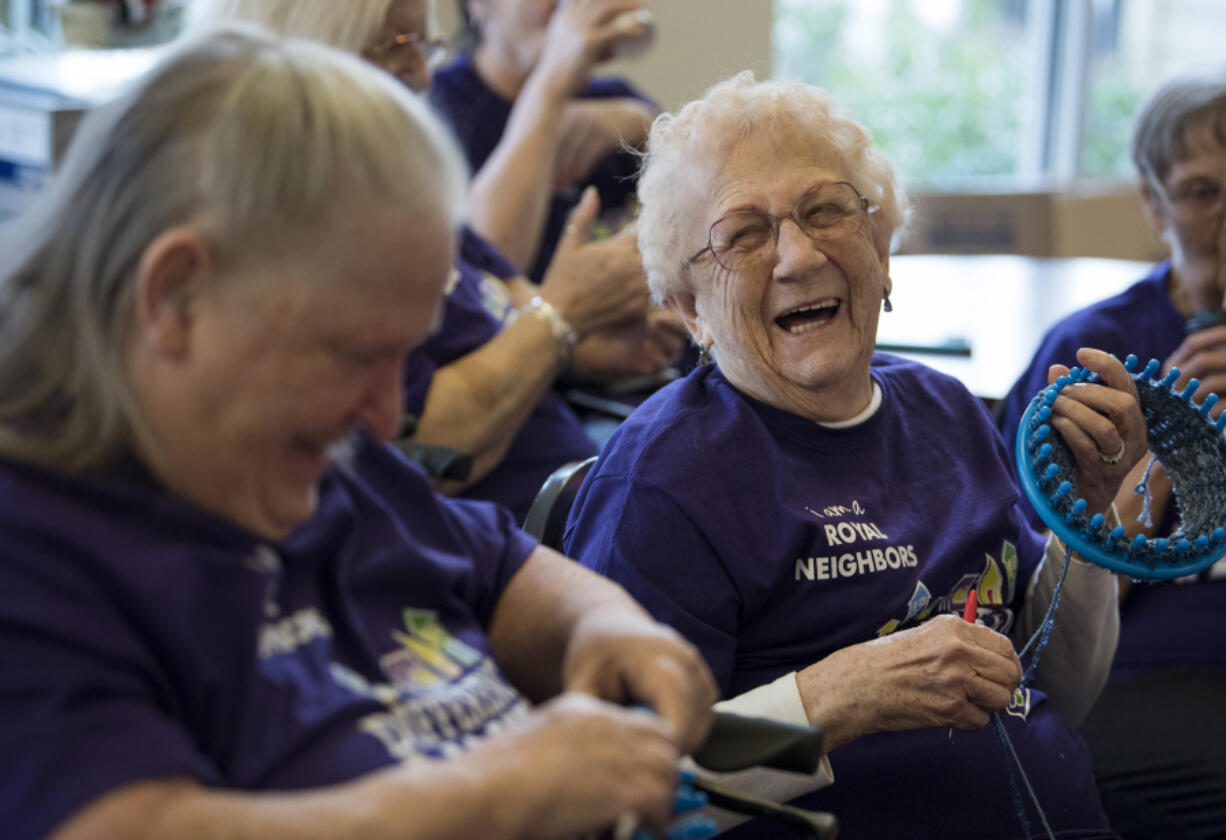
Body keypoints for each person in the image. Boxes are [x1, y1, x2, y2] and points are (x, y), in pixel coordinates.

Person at [0, 27, 718, 840]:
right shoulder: (37, 546)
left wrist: (610, 629)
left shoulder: (310, 456)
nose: (384, 418)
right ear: (175, 297)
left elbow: (501, 568)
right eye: (351, 353)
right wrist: (500, 792)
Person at [563, 71, 1150, 839]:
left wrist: (1087, 520)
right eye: (743, 233)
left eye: (827, 210)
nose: (798, 256)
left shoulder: (947, 411)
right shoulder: (662, 483)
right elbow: (624, 791)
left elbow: (1054, 694)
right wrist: (831, 702)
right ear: (687, 309)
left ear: (881, 247)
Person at [192, 0, 684, 523]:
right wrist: (562, 317)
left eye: (425, 46)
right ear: (305, 52)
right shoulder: (305, 240)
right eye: (396, 44)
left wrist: (588, 343)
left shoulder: (404, 204)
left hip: (576, 484)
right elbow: (423, 444)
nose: (425, 74)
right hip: (523, 525)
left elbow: (520, 302)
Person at [998, 71, 1226, 840]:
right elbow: (1038, 609)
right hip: (1147, 675)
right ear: (1153, 204)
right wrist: (1171, 458)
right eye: (1201, 193)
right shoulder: (1091, 354)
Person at [431, 0, 658, 280]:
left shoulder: (620, 99)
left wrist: (643, 124)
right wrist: (552, 80)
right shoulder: (435, 106)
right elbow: (487, 274)